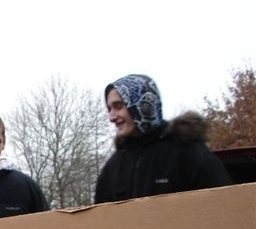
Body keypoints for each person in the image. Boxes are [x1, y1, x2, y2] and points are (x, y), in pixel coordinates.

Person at [95, 74, 232, 204]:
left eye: (118, 106)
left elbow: (222, 206)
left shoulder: (188, 152)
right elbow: (101, 221)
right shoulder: (114, 166)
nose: (111, 117)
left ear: (142, 104)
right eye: (109, 109)